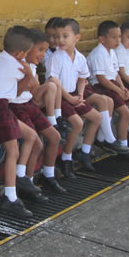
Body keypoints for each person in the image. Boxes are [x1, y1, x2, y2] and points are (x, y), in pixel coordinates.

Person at [0, 26, 37, 218]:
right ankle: (10, 197)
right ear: (21, 53)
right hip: (0, 108)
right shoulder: (17, 66)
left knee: (30, 135)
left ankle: (20, 176)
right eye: (26, 54)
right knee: (13, 150)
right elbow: (20, 92)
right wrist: (29, 74)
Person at [8, 29, 63, 196]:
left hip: (29, 105)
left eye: (45, 50)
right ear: (27, 49)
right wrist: (29, 80)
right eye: (40, 50)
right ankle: (27, 181)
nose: (42, 54)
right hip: (17, 107)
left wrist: (34, 84)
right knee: (37, 143)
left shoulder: (32, 66)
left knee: (55, 137)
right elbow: (14, 94)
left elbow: (31, 93)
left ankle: (48, 175)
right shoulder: (18, 66)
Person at [45, 17, 101, 175]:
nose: (60, 40)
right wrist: (70, 99)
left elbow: (83, 78)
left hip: (74, 95)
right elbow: (53, 80)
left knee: (96, 117)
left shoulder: (80, 58)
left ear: (77, 38)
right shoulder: (55, 57)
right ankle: (66, 157)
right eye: (57, 36)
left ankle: (85, 151)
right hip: (59, 98)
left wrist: (81, 94)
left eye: (65, 36)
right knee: (77, 123)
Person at [87, 21, 129, 160]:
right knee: (125, 113)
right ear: (102, 39)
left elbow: (116, 73)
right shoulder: (98, 54)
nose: (118, 40)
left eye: (119, 36)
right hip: (102, 87)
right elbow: (101, 78)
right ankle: (121, 145)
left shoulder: (112, 52)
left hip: (113, 84)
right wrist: (117, 90)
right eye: (114, 37)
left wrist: (122, 87)